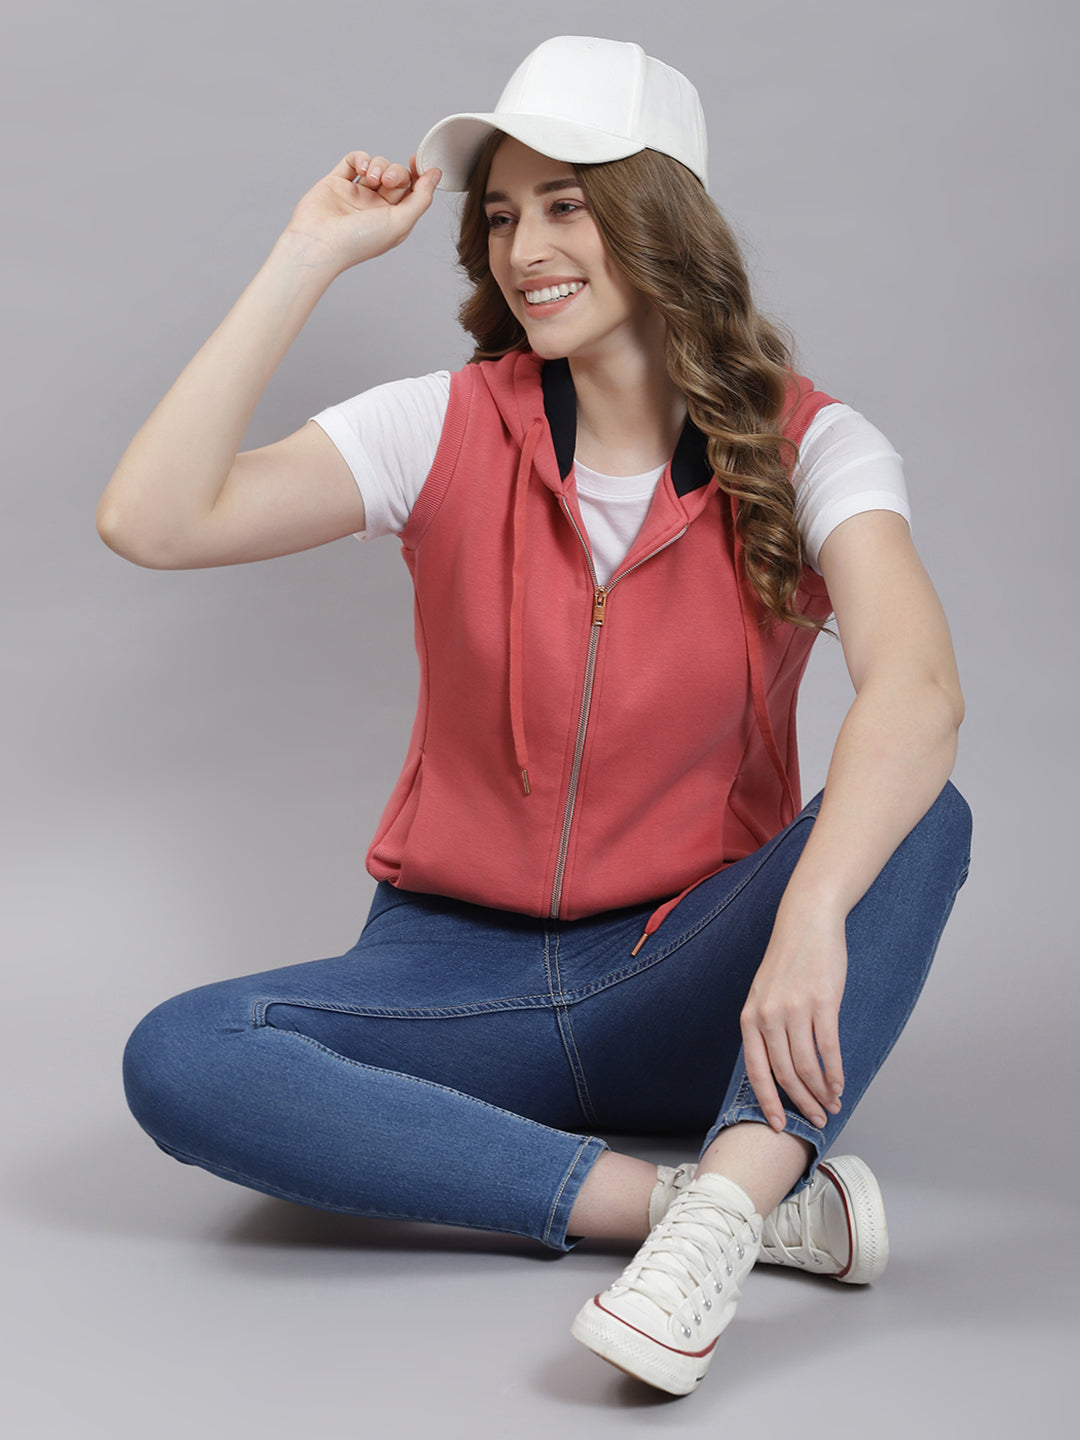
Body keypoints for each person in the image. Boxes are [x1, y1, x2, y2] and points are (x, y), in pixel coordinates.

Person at [99, 36, 971, 1396]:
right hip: (453, 982)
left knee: (924, 810)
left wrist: (807, 917)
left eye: (567, 204)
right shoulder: (443, 426)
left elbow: (918, 687)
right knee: (182, 1056)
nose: (524, 249)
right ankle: (716, 1211)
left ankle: (727, 1204)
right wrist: (308, 252)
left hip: (686, 973)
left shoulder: (811, 448)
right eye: (502, 215)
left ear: (659, 215)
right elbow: (152, 520)